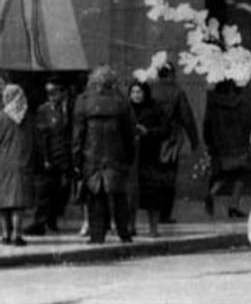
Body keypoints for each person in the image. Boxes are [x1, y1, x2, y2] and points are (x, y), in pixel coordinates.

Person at [72, 66, 135, 244]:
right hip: (116, 154)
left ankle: (97, 235)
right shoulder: (121, 101)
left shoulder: (83, 101)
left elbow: (78, 134)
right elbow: (128, 133)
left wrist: (76, 160)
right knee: (119, 195)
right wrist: (130, 156)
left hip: (91, 154)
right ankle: (124, 232)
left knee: (95, 196)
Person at [150, 60, 200, 223]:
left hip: (151, 138)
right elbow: (187, 118)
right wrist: (195, 141)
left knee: (152, 176)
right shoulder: (177, 92)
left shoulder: (150, 90)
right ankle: (165, 213)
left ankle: (153, 211)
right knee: (169, 176)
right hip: (171, 139)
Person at [202, 80, 251, 219]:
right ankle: (234, 204)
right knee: (241, 174)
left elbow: (206, 126)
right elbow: (248, 123)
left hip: (221, 145)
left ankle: (212, 193)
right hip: (240, 143)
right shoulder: (242, 104)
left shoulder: (213, 105)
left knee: (224, 174)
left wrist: (210, 144)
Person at [25, 78, 72, 235]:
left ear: (62, 92)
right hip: (50, 154)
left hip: (65, 155)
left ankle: (52, 220)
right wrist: (45, 158)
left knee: (61, 191)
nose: (52, 96)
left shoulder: (68, 108)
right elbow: (42, 136)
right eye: (49, 93)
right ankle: (40, 222)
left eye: (55, 92)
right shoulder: (44, 110)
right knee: (45, 191)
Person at [128, 81, 170, 237]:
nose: (136, 95)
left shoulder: (154, 109)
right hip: (131, 158)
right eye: (133, 92)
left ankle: (153, 229)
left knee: (152, 194)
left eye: (139, 92)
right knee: (131, 195)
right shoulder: (126, 110)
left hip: (150, 157)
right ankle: (131, 226)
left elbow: (165, 130)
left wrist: (148, 132)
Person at [0, 84, 35, 245]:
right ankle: (17, 235)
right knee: (18, 203)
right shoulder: (27, 118)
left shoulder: (2, 118)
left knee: (3, 201)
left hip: (3, 163)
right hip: (22, 162)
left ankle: (5, 234)